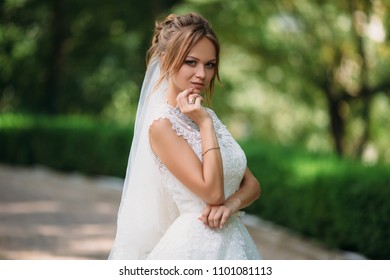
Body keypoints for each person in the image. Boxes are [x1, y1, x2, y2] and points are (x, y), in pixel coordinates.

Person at [109, 12, 262, 260]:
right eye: (191, 62)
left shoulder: (207, 116)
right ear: (166, 58)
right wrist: (204, 124)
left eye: (209, 64)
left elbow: (252, 185)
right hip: (194, 248)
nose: (202, 74)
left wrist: (231, 205)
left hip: (235, 242)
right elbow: (211, 194)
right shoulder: (161, 127)